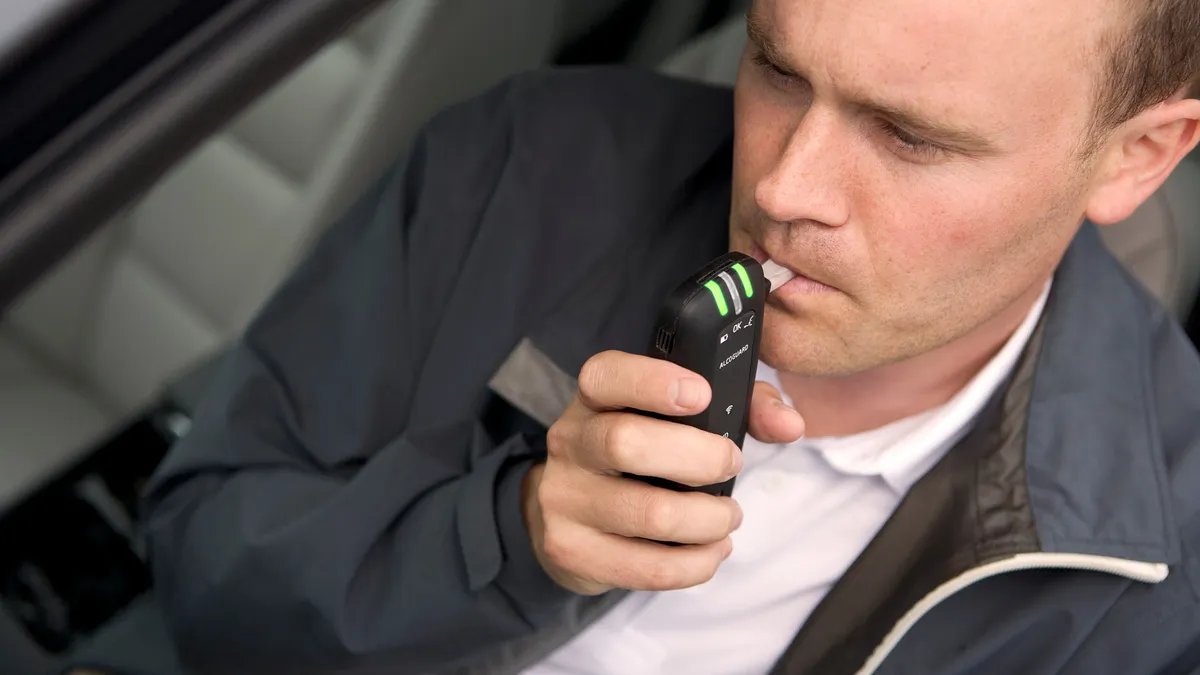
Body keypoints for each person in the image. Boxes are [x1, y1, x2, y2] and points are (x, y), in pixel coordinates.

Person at [141, 0, 1200, 673]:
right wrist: (511, 537)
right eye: (777, 69)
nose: (782, 189)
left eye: (909, 136)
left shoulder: (1165, 572)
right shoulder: (525, 167)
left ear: (1139, 156)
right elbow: (201, 578)